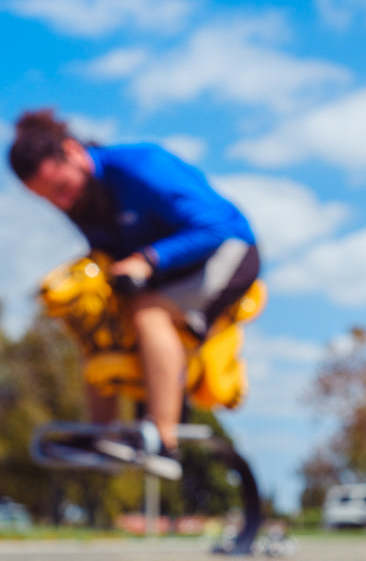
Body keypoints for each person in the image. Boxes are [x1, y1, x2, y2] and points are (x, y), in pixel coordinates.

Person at [8, 109, 260, 479]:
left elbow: (215, 226)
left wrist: (149, 259)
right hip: (162, 276)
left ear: (73, 152)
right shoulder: (79, 198)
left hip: (227, 255)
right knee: (98, 324)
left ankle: (163, 438)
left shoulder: (140, 166)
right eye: (48, 199)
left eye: (61, 188)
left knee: (149, 313)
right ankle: (106, 436)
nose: (61, 203)